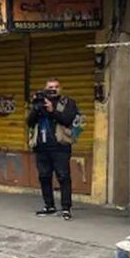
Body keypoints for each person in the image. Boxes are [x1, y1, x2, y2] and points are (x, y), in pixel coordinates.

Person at [26, 78, 80, 221]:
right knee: (44, 176)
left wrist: (52, 110)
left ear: (60, 89)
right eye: (50, 87)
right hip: (41, 146)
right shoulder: (40, 102)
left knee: (63, 177)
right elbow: (29, 122)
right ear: (45, 89)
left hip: (60, 146)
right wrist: (36, 109)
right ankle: (49, 205)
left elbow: (67, 119)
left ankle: (66, 208)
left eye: (55, 87)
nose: (53, 90)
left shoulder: (67, 103)